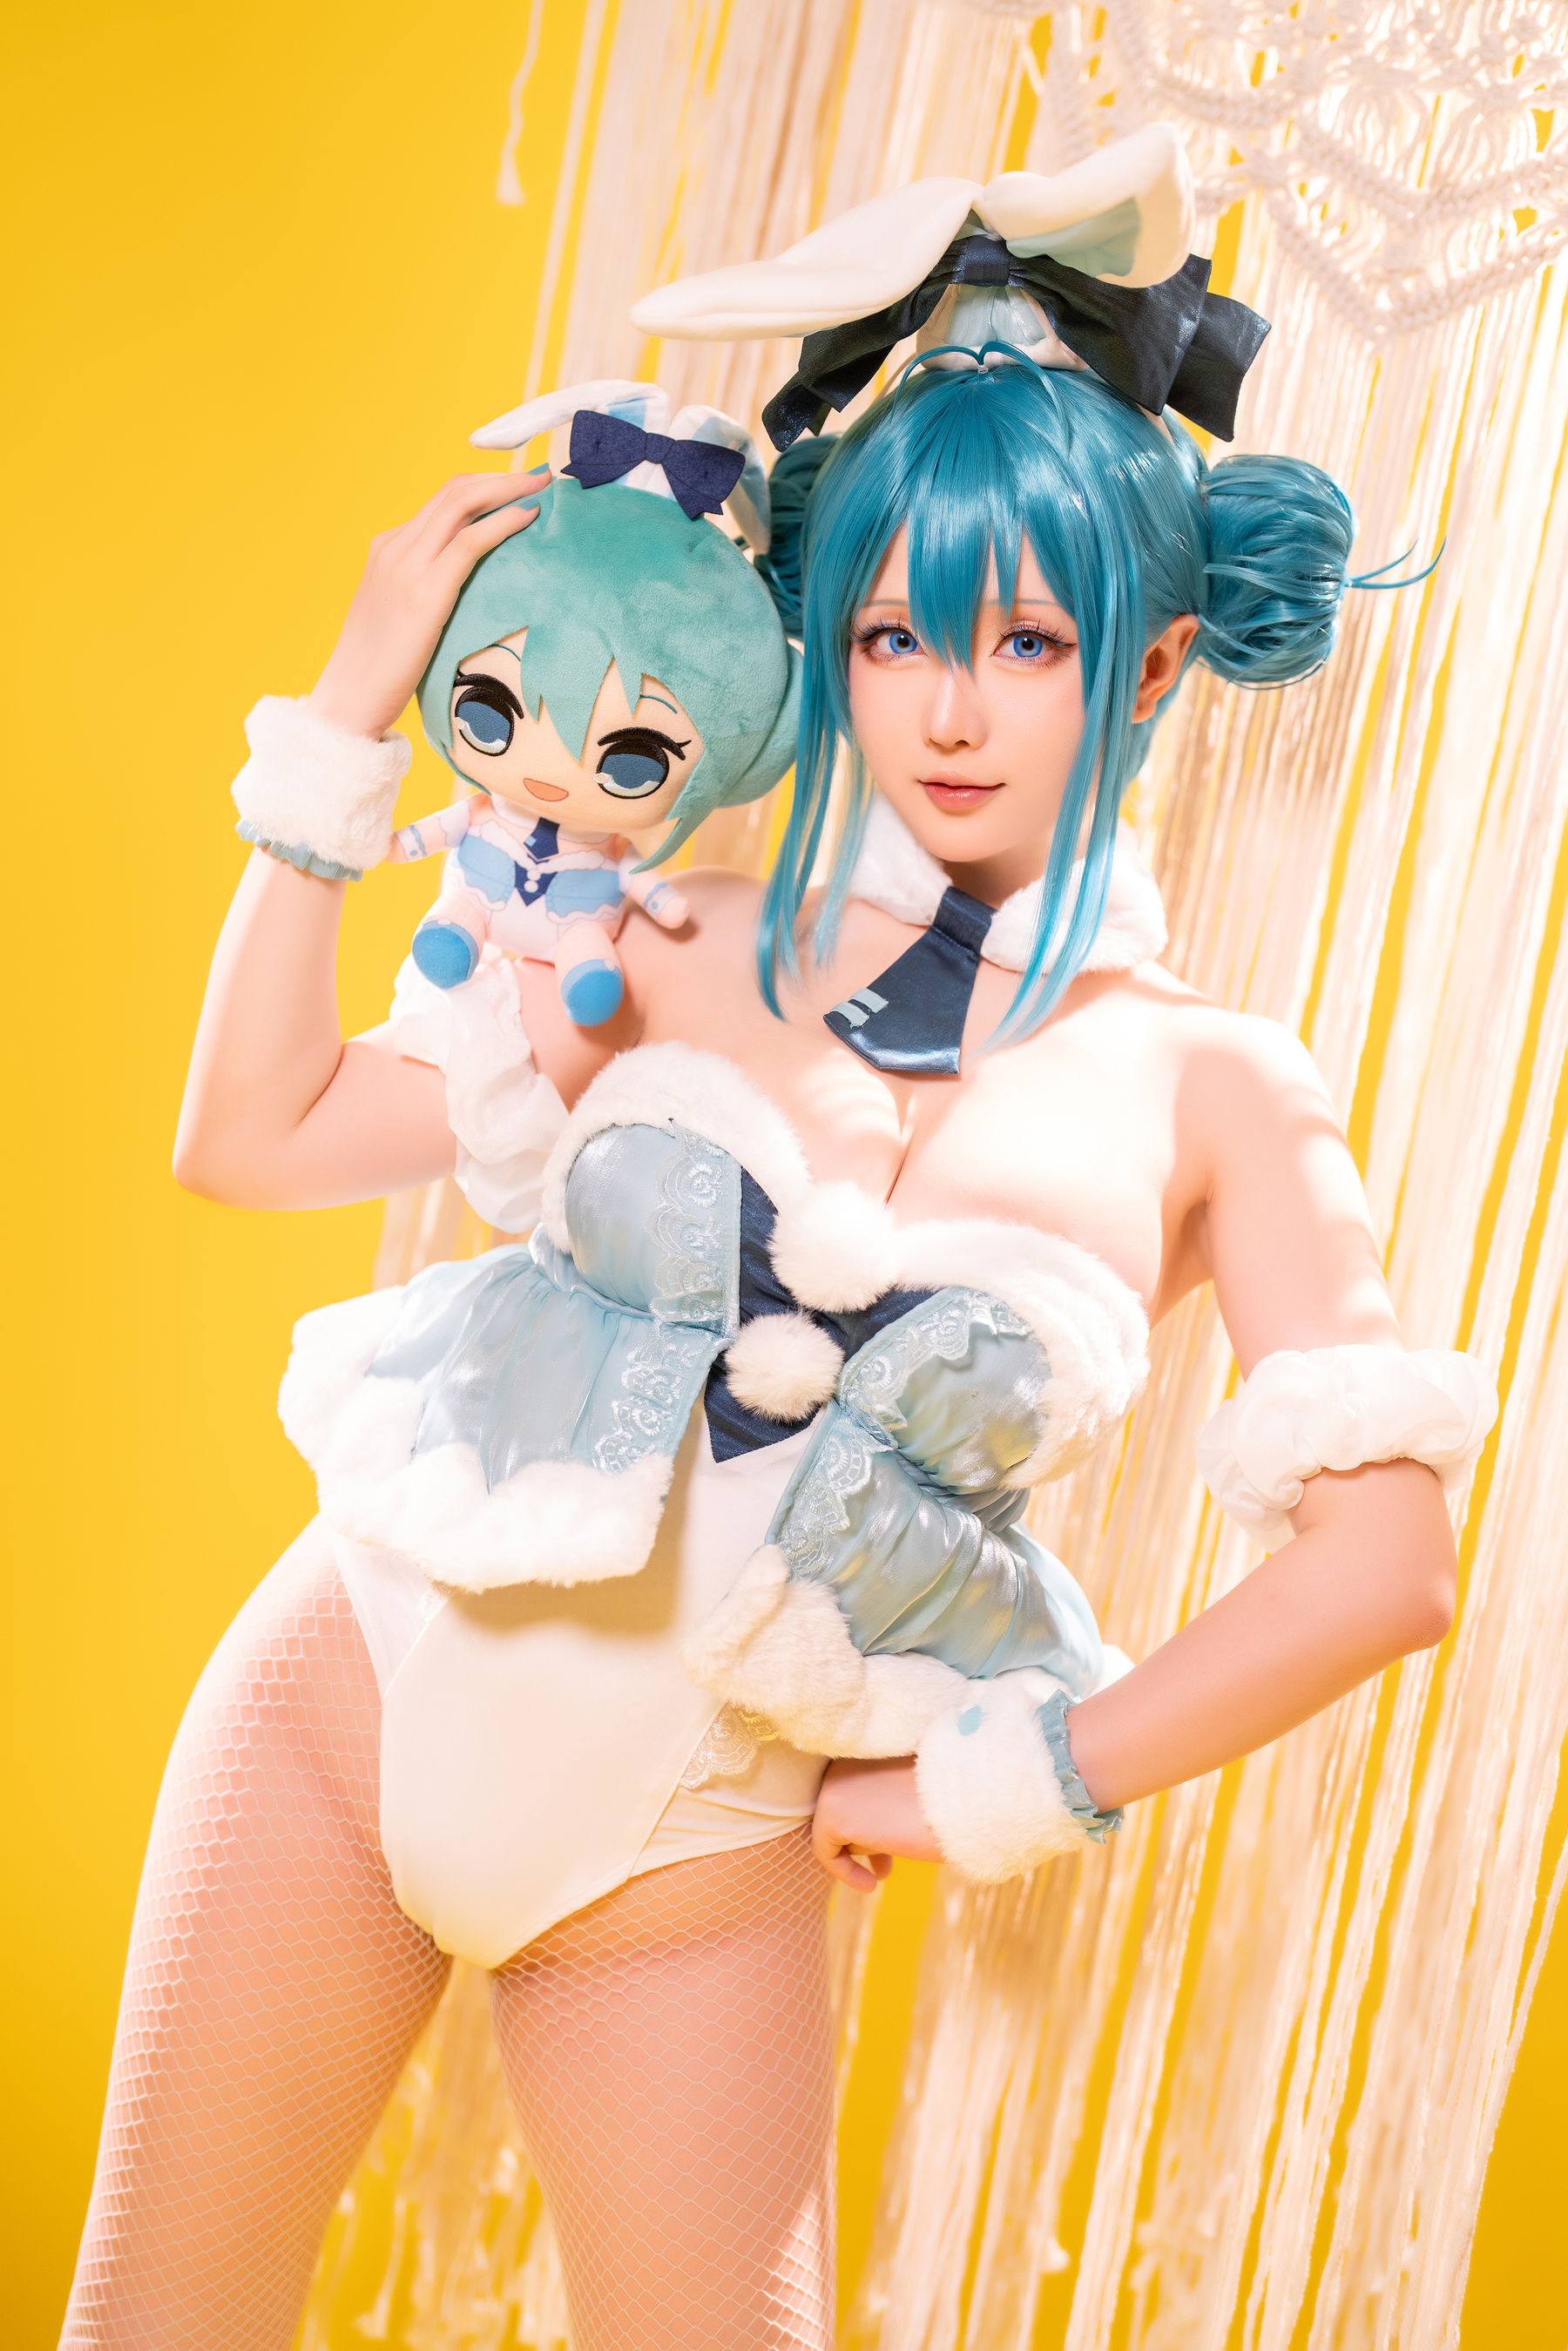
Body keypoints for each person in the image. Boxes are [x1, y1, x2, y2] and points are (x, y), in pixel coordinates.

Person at [62, 200, 1495, 2351]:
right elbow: (248, 1137)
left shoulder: (1221, 1092)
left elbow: (1387, 1571)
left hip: (697, 1855)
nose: (950, 707)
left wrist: (1002, 1786)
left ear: (1154, 663)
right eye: (894, 635)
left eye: (1031, 642)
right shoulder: (673, 929)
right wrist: (352, 709)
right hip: (347, 1686)